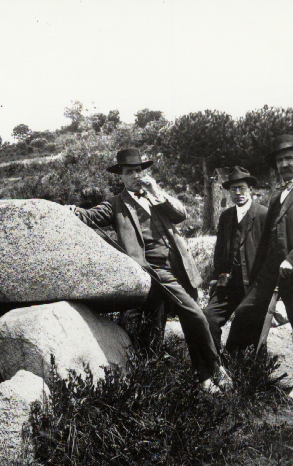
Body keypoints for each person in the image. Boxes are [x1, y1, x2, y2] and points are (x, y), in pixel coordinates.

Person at [69, 148, 231, 394]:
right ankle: (212, 370)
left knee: (170, 324)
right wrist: (73, 211)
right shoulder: (115, 204)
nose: (135, 175)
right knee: (195, 315)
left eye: (138, 170)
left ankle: (202, 377)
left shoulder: (156, 197)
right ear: (121, 177)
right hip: (152, 270)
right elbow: (90, 217)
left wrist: (157, 191)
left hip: (178, 268)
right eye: (129, 172)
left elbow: (181, 215)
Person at [224, 135, 293, 399]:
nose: (284, 164)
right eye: (280, 160)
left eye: (289, 158)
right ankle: (232, 374)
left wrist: (292, 260)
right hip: (271, 273)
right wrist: (257, 274)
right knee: (245, 312)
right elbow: (266, 241)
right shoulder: (277, 196)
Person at [203, 167, 268, 351]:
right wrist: (216, 277)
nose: (238, 193)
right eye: (233, 189)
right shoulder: (226, 216)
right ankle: (215, 367)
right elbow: (219, 250)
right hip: (227, 284)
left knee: (243, 326)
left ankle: (244, 370)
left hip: (252, 286)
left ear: (251, 190)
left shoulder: (263, 214)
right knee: (208, 318)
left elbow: (271, 253)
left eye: (242, 188)